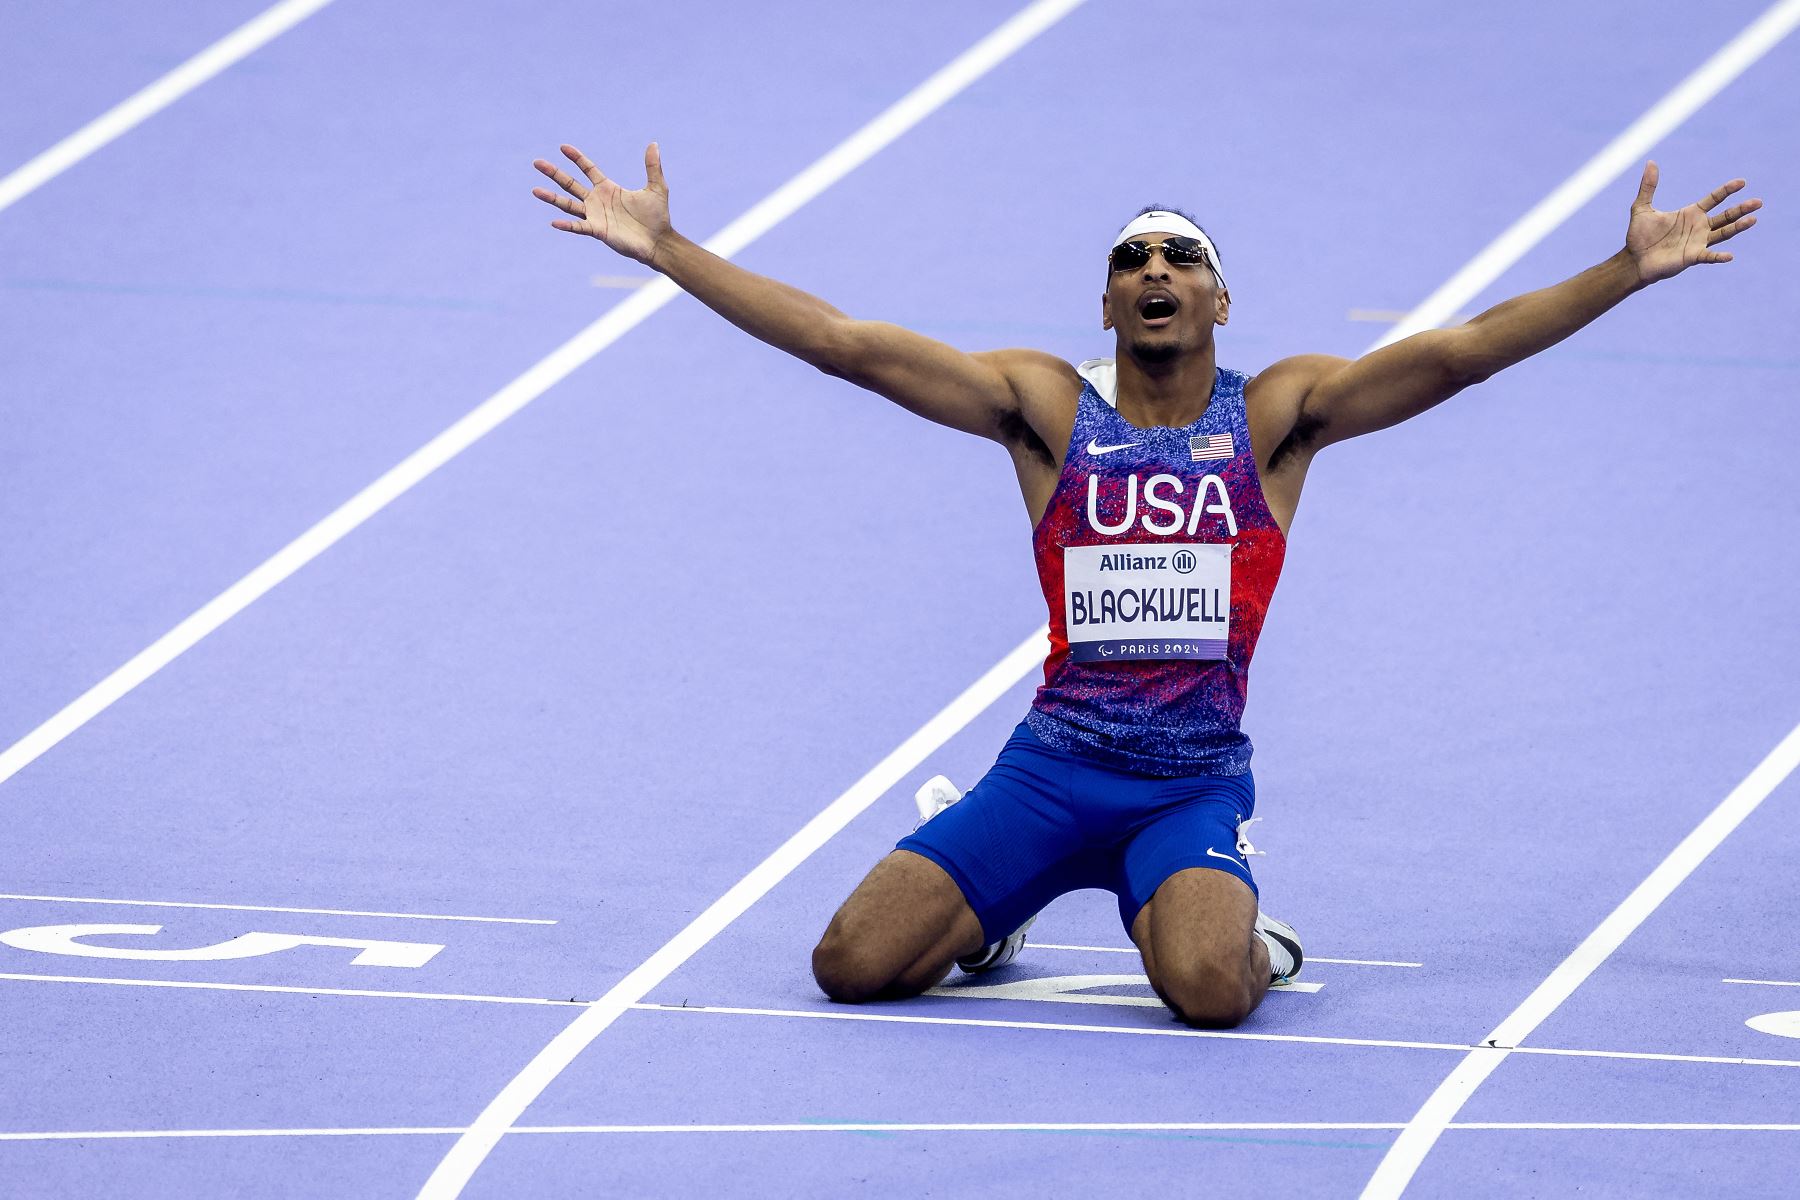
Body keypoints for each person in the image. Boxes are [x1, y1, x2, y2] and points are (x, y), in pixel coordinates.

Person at [531, 143, 1760, 1028]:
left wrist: (1624, 270)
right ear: (1108, 301)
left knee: (1213, 995)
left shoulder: (1276, 417)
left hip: (1187, 785)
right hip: (1049, 768)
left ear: (1219, 299)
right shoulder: (1044, 409)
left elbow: (1461, 357)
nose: (1154, 266)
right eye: (1132, 257)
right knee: (850, 967)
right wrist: (670, 252)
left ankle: (1244, 929)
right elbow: (846, 347)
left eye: (1181, 256)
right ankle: (995, 915)